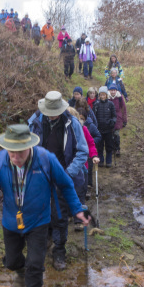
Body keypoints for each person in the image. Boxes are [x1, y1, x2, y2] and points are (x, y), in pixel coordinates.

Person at [0, 124, 89, 287]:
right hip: (11, 220)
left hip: (38, 221)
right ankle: (20, 271)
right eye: (12, 153)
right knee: (11, 261)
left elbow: (66, 184)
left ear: (29, 146)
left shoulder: (46, 159)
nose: (15, 158)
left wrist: (77, 209)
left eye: (20, 153)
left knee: (36, 263)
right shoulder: (0, 159)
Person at [28, 91, 89, 270]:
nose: (52, 115)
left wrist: (68, 173)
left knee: (60, 215)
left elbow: (82, 151)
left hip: (63, 175)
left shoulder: (72, 123)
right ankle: (45, 240)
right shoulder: (35, 122)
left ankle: (59, 252)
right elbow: (27, 147)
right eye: (49, 111)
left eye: (55, 111)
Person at [67, 108, 99, 213]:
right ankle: (70, 213)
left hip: (82, 167)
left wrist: (94, 155)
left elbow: (90, 144)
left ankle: (78, 219)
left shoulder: (83, 129)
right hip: (66, 167)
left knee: (80, 191)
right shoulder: (62, 133)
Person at [76, 106, 101, 190]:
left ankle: (87, 187)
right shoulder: (68, 129)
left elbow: (91, 144)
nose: (80, 121)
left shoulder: (85, 129)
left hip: (85, 161)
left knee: (87, 173)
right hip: (72, 163)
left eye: (82, 119)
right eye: (78, 118)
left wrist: (94, 155)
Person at [93, 86, 116, 168]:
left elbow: (114, 116)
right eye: (101, 95)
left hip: (109, 129)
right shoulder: (96, 105)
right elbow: (93, 117)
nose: (102, 96)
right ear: (99, 95)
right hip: (99, 129)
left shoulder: (111, 104)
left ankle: (109, 161)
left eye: (104, 95)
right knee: (100, 146)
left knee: (109, 146)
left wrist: (112, 122)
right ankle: (101, 160)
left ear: (106, 95)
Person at [108, 83, 127, 156]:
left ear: (116, 90)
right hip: (109, 118)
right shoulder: (107, 97)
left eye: (114, 90)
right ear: (109, 90)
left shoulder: (120, 97)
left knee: (116, 134)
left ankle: (117, 148)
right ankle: (112, 148)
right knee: (111, 134)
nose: (113, 92)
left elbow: (123, 108)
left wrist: (124, 120)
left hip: (118, 118)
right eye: (111, 90)